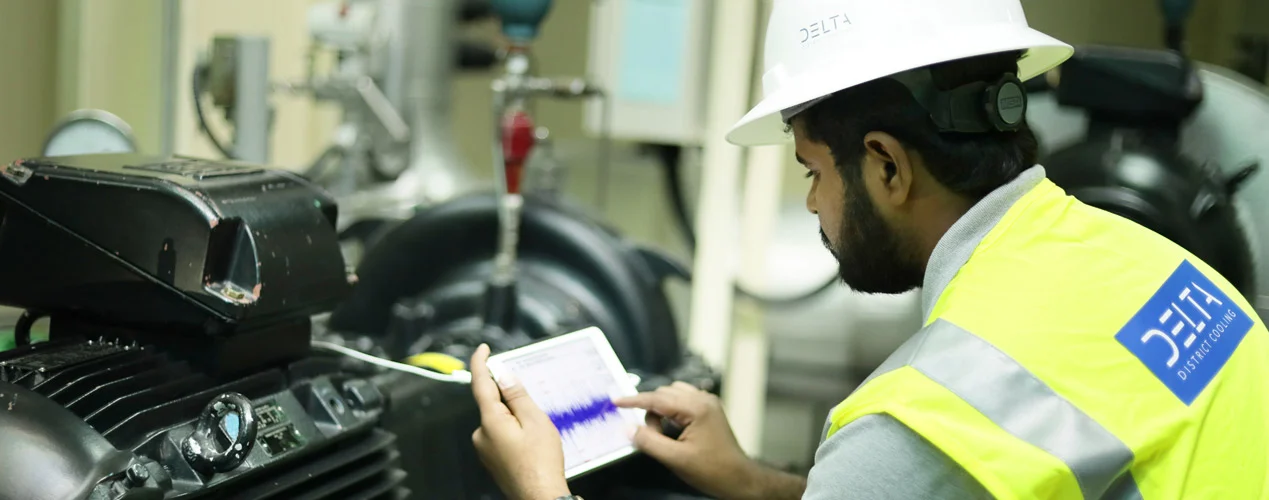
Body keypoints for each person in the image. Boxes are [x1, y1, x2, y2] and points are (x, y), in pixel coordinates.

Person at [467, 0, 1269, 498]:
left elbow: (907, 475)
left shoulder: (922, 419)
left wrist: (537, 485)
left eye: (811, 170)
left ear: (885, 166)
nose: (812, 202)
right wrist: (752, 484)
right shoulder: (1163, 266)